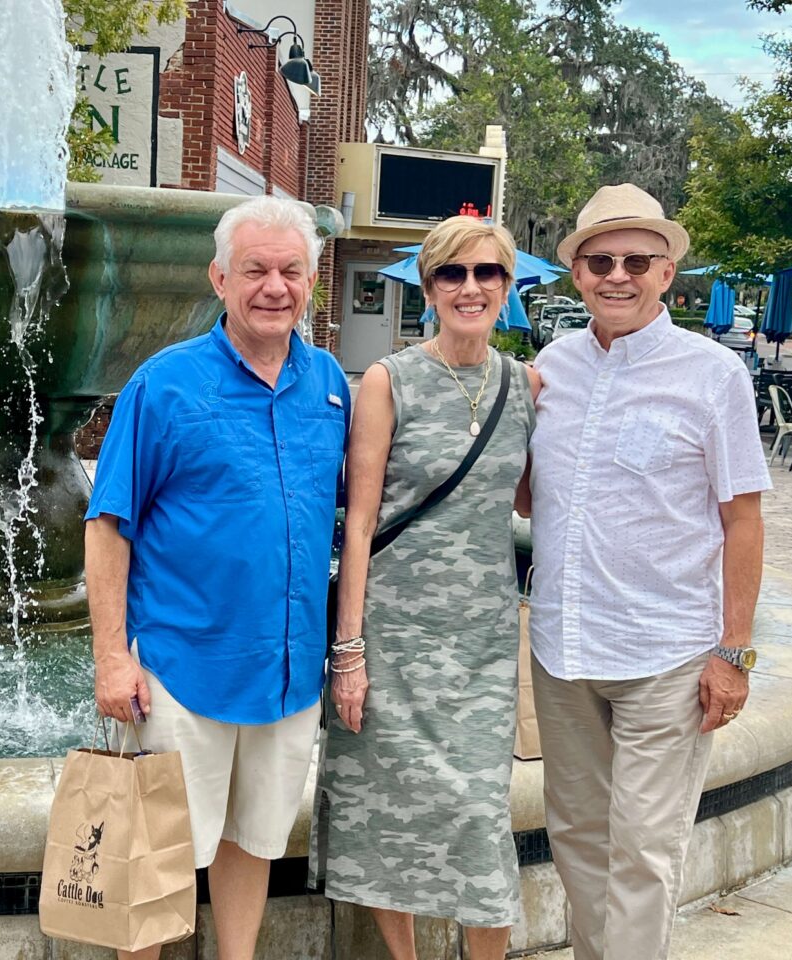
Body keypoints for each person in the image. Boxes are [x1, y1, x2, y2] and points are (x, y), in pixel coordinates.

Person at [84, 195, 348, 960]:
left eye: (291, 271)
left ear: (310, 281)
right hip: (180, 671)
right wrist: (111, 656)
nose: (275, 287)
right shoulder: (164, 386)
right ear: (220, 279)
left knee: (254, 843)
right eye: (256, 270)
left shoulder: (330, 384)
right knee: (158, 859)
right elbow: (108, 524)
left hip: (288, 673)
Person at [529, 183, 771, 960]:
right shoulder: (551, 370)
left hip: (665, 654)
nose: (618, 274)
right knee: (574, 840)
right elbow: (531, 497)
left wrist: (734, 652)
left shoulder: (713, 375)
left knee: (641, 851)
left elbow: (743, 520)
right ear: (578, 274)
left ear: (668, 272)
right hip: (563, 650)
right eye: (600, 260)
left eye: (638, 260)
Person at [311, 215, 541, 960]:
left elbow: (533, 502)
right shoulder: (387, 381)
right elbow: (358, 524)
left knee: (479, 817)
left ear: (506, 287)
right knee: (386, 812)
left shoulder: (528, 385)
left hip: (480, 641)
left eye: (486, 274)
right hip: (393, 638)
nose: (469, 289)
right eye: (452, 274)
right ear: (429, 287)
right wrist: (348, 651)